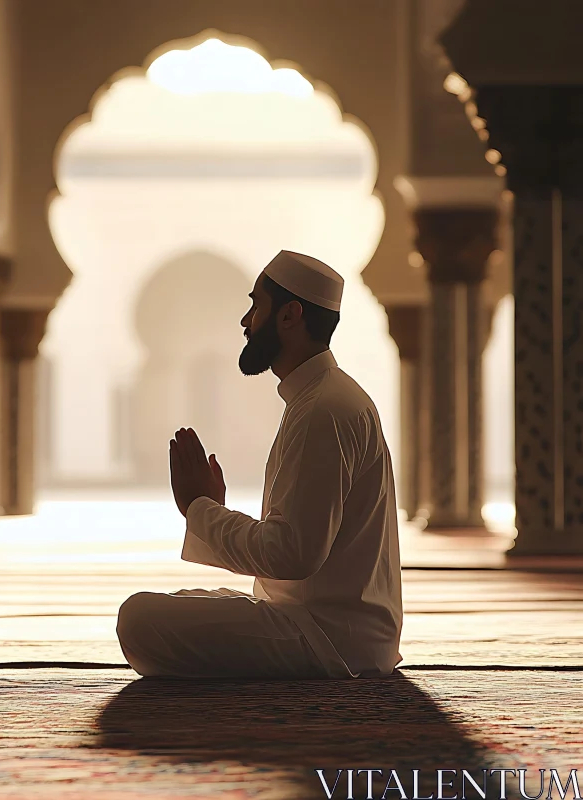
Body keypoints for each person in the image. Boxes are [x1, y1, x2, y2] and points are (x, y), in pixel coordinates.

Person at [117, 250, 402, 679]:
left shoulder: (323, 410)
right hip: (335, 628)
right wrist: (211, 509)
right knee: (186, 600)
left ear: (289, 315)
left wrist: (200, 508)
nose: (246, 321)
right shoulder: (322, 398)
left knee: (139, 619)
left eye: (256, 306)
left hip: (330, 641)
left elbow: (292, 555)